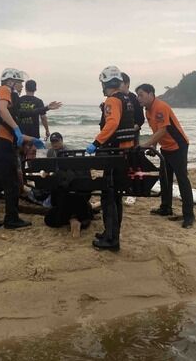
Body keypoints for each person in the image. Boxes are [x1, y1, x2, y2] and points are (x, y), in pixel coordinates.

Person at [0, 68, 43, 232]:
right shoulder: (4, 90)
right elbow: (1, 109)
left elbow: (6, 123)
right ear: (11, 82)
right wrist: (16, 129)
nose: (21, 87)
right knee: (12, 182)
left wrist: (32, 139)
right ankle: (11, 219)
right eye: (19, 83)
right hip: (0, 145)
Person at [86, 65, 135, 251]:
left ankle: (112, 240)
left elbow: (112, 122)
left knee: (109, 196)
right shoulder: (127, 98)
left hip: (114, 154)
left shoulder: (112, 101)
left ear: (106, 83)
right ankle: (110, 233)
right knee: (116, 197)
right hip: (125, 153)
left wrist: (96, 143)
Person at [135, 83, 196, 228]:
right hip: (166, 147)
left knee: (182, 179)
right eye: (137, 95)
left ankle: (189, 216)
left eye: (141, 95)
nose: (139, 98)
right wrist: (154, 146)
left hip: (178, 146)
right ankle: (166, 208)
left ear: (151, 94)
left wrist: (147, 144)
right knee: (164, 178)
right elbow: (156, 131)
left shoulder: (161, 107)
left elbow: (163, 130)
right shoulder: (148, 111)